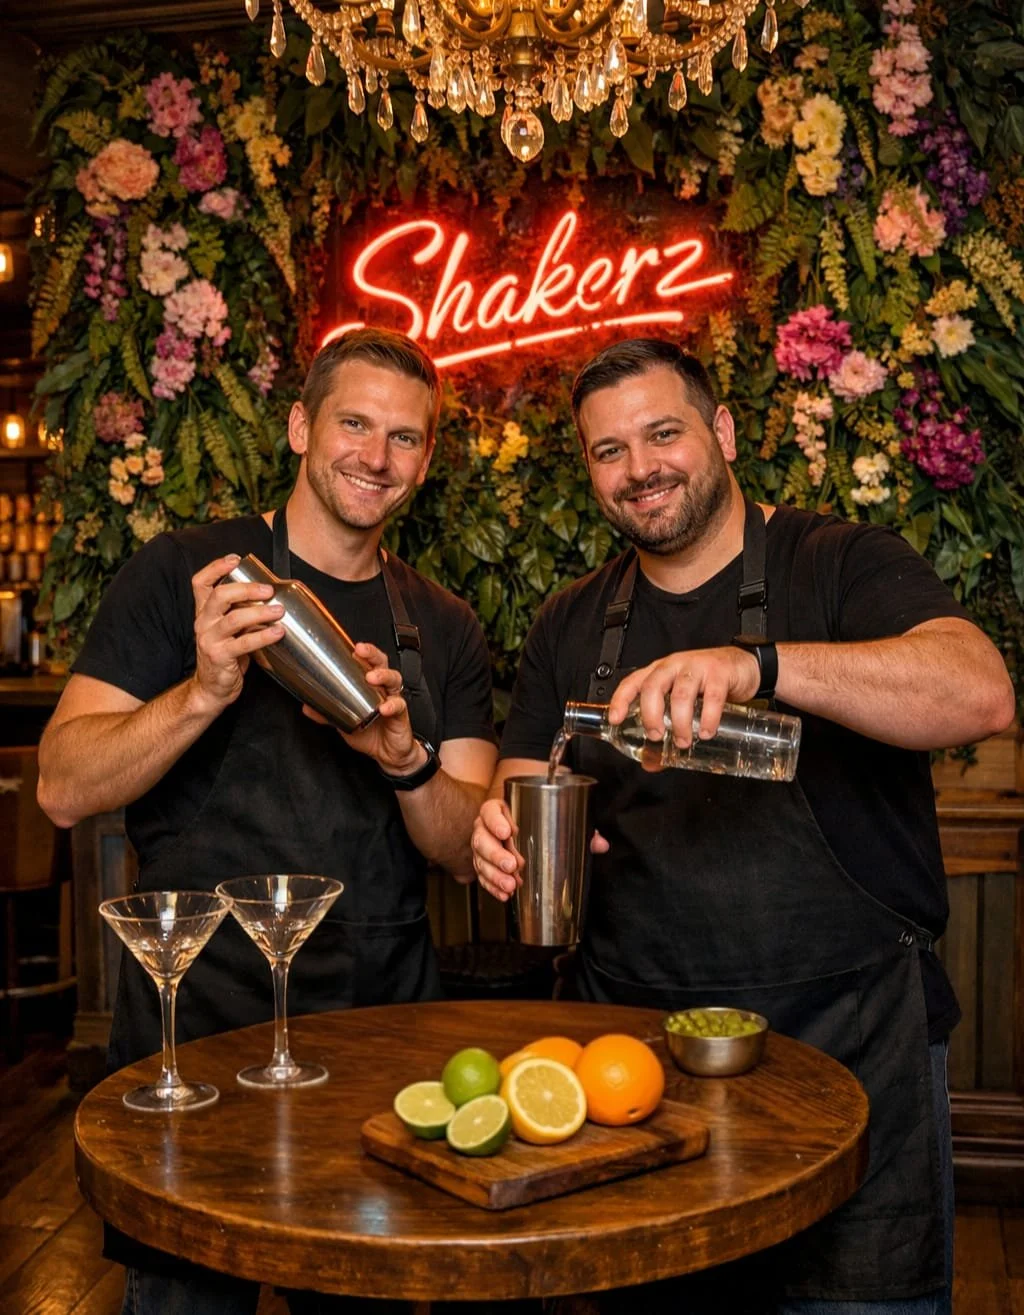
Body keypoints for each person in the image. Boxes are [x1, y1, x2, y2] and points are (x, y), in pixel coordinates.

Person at [471, 338, 1016, 1314]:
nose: (639, 468)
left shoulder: (841, 562)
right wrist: (500, 831)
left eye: (662, 433)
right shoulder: (569, 623)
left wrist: (754, 667)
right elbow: (521, 780)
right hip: (633, 1056)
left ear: (720, 432)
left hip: (850, 1043)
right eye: (608, 451)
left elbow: (975, 692)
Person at [38, 328, 499, 1315]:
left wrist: (405, 760)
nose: (376, 457)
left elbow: (464, 852)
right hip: (195, 1029)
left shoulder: (444, 624)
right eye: (354, 423)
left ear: (426, 459)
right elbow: (63, 785)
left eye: (406, 438)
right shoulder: (184, 577)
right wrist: (202, 692)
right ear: (300, 426)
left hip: (378, 1040)